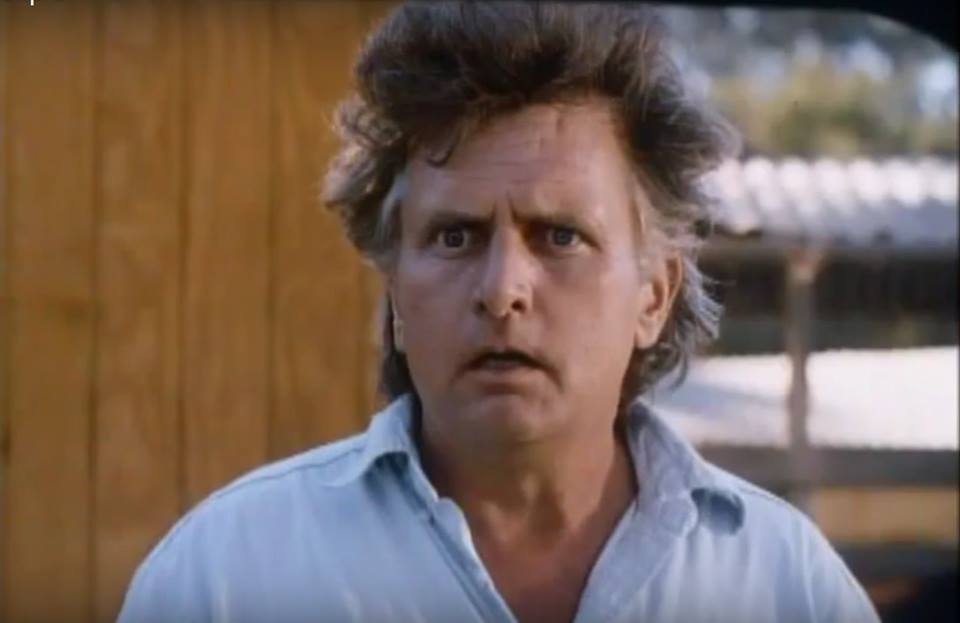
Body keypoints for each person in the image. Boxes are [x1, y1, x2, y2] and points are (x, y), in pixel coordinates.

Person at [118, 2, 880, 622]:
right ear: (396, 293)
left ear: (653, 294)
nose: (502, 287)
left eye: (561, 236)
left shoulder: (785, 583)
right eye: (455, 236)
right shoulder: (223, 576)